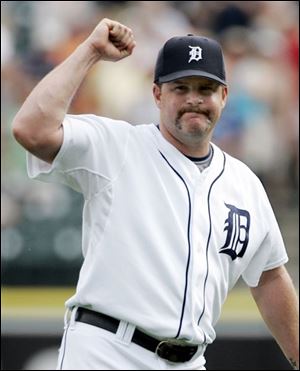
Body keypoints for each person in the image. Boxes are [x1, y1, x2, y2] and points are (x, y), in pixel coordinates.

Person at [12, 18, 299, 371]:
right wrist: (89, 53)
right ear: (157, 94)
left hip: (190, 361)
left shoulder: (244, 183)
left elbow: (270, 277)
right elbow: (31, 129)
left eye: (205, 88)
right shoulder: (117, 146)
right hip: (106, 352)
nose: (194, 99)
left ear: (223, 97)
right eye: (181, 87)